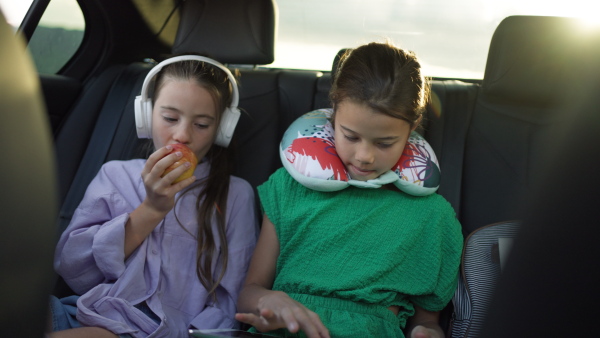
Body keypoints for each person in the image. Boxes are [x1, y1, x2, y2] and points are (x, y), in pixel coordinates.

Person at [235, 42, 463, 338]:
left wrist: (427, 331)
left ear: (413, 126)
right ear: (332, 115)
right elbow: (248, 293)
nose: (364, 156)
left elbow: (427, 319)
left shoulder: (433, 216)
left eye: (384, 143)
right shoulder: (290, 188)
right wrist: (269, 300)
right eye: (351, 136)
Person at [48, 56, 259, 338]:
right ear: (145, 117)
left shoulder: (236, 195)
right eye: (170, 118)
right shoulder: (114, 176)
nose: (182, 135)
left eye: (202, 124)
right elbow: (72, 268)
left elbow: (231, 298)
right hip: (83, 310)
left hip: (151, 331)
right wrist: (150, 210)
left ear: (222, 130)